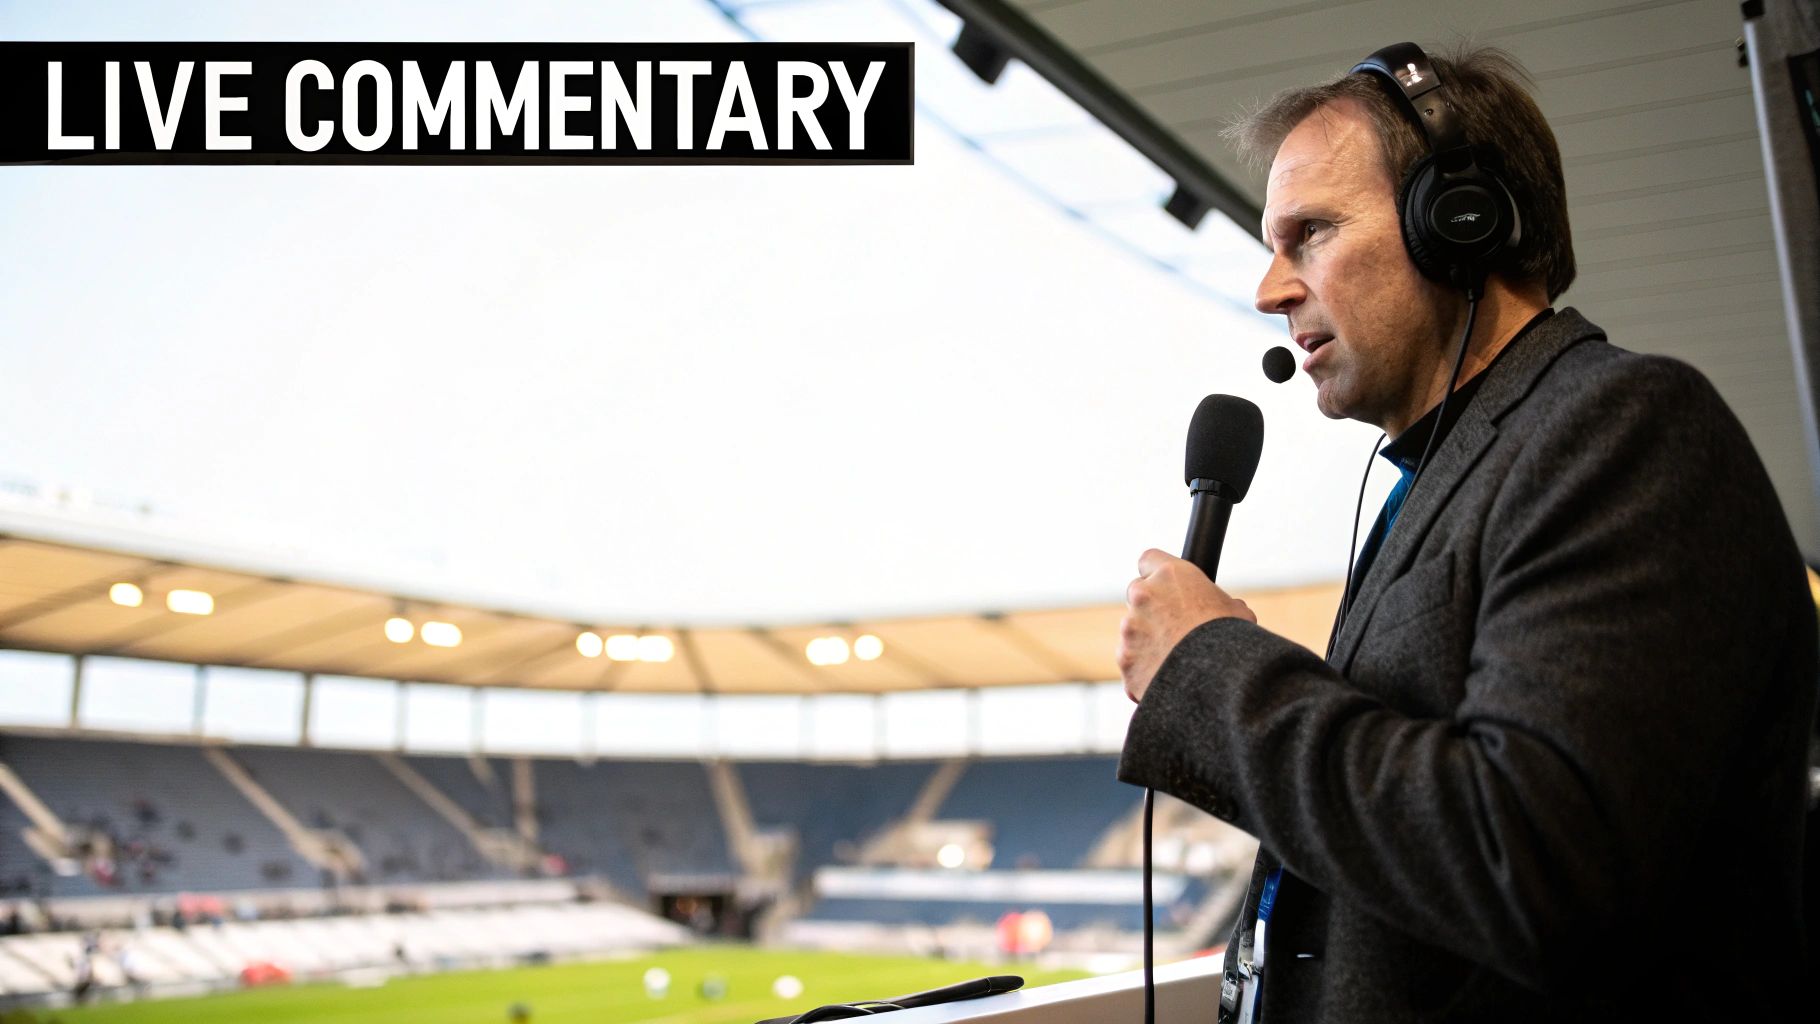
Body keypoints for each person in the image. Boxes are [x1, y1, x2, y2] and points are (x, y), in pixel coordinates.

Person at [1115, 42, 1816, 1022]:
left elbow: (1527, 861)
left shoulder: (1624, 428)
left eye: (1307, 234)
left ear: (1457, 220)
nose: (1269, 289)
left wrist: (1210, 667)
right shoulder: (1445, 473)